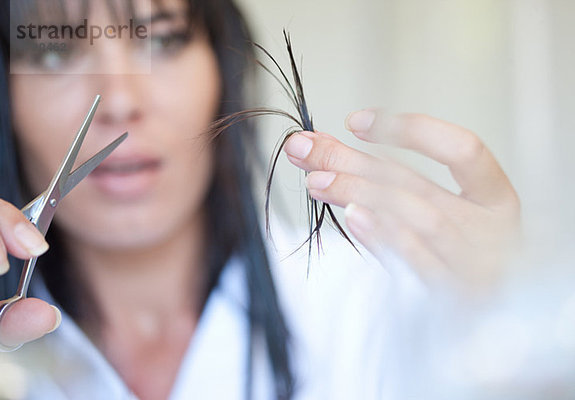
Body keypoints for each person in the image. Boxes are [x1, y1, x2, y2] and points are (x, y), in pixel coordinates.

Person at [0, 0, 520, 399]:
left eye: (160, 42)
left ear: (223, 69)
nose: (118, 100)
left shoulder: (375, 305)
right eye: (53, 51)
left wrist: (514, 320)